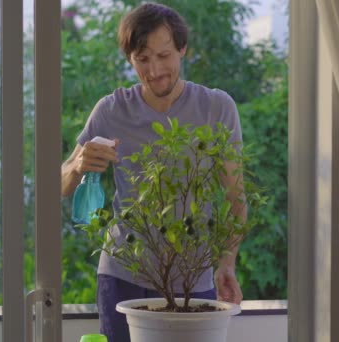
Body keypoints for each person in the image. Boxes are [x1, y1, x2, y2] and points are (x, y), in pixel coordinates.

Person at [61, 3, 246, 341]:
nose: (155, 70)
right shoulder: (111, 110)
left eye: (164, 56)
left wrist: (227, 263)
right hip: (122, 274)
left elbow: (237, 198)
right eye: (142, 60)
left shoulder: (217, 108)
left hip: (193, 278)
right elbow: (58, 184)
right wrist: (77, 164)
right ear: (130, 58)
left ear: (182, 48)